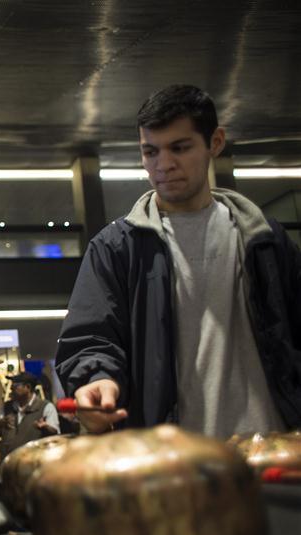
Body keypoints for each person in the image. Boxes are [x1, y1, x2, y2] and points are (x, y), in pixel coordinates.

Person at [55, 84, 301, 437]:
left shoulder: (264, 239)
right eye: (150, 151)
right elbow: (91, 338)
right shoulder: (116, 248)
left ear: (215, 142)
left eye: (180, 148)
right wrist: (96, 379)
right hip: (170, 456)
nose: (164, 164)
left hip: (268, 449)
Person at [0, 372, 60, 459]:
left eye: (15, 386)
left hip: (33, 462)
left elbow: (55, 434)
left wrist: (45, 427)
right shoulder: (7, 407)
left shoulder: (45, 407)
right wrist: (0, 423)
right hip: (9, 462)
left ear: (28, 387)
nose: (11, 389)